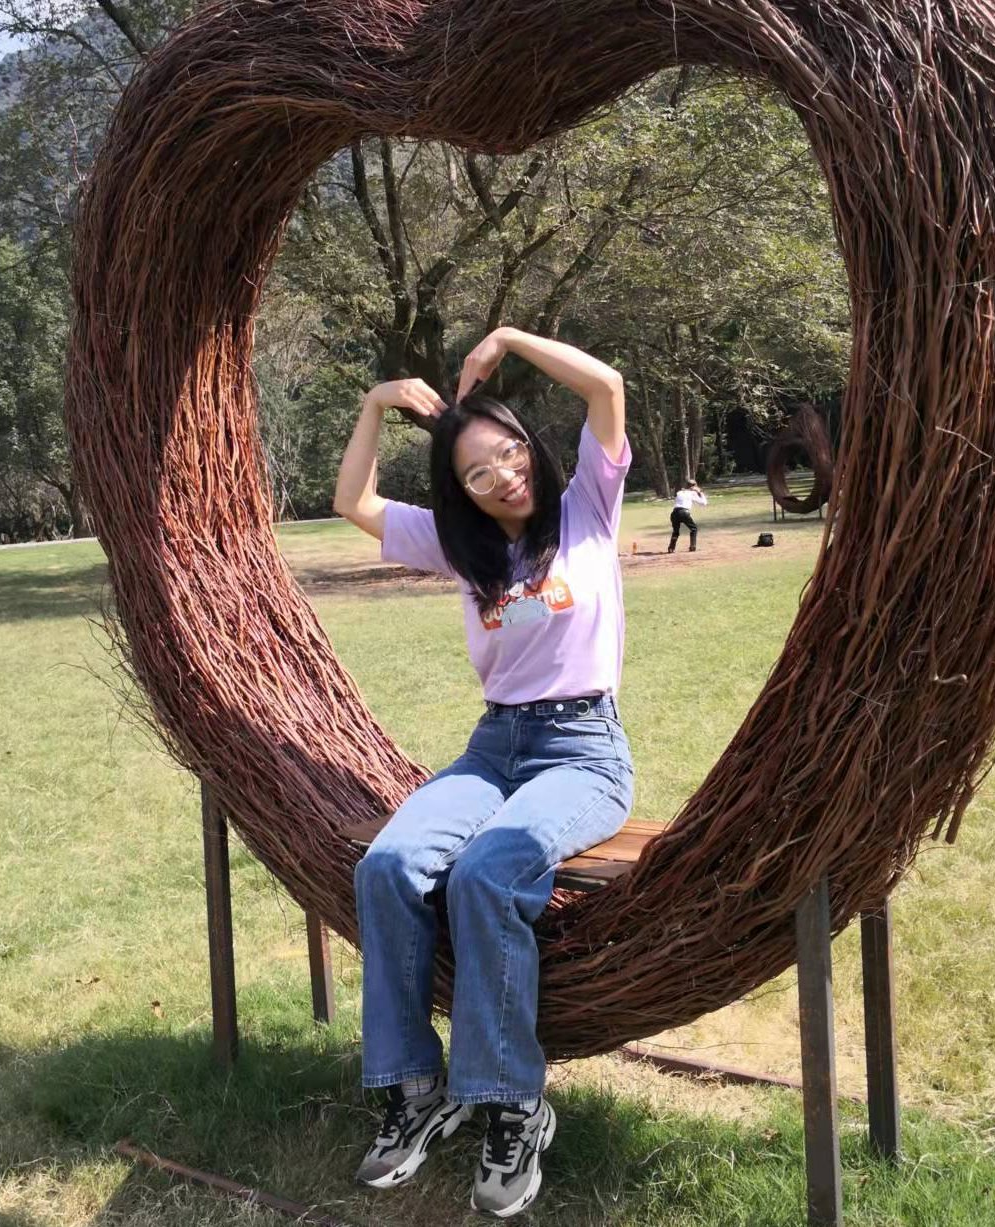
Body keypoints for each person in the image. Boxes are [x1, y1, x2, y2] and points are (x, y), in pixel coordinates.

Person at [333, 326, 635, 1218]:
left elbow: (605, 386)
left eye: (509, 451)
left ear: (528, 444)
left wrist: (506, 337)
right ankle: (414, 1089)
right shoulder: (459, 547)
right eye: (477, 471)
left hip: (583, 750)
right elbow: (352, 499)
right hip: (490, 749)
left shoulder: (586, 507)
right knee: (387, 866)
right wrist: (376, 402)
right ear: (458, 491)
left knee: (486, 870)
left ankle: (511, 1104)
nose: (503, 474)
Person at [667, 480, 707, 552]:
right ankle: (692, 546)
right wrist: (700, 492)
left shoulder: (679, 492)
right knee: (694, 529)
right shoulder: (692, 493)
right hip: (684, 512)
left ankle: (671, 548)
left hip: (674, 513)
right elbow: (704, 503)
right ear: (694, 486)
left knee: (675, 531)